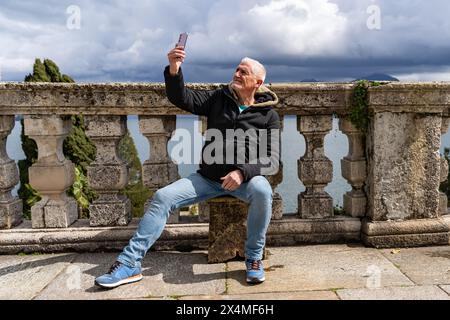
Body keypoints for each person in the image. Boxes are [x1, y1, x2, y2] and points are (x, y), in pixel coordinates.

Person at [95, 44, 281, 289]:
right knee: (162, 197)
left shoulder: (268, 115)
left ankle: (254, 257)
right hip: (207, 179)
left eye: (243, 72)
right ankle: (130, 264)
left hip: (245, 181)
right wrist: (174, 69)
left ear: (257, 83)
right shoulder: (219, 98)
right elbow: (181, 98)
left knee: (263, 191)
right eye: (236, 69)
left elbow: (272, 159)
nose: (236, 74)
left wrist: (242, 172)